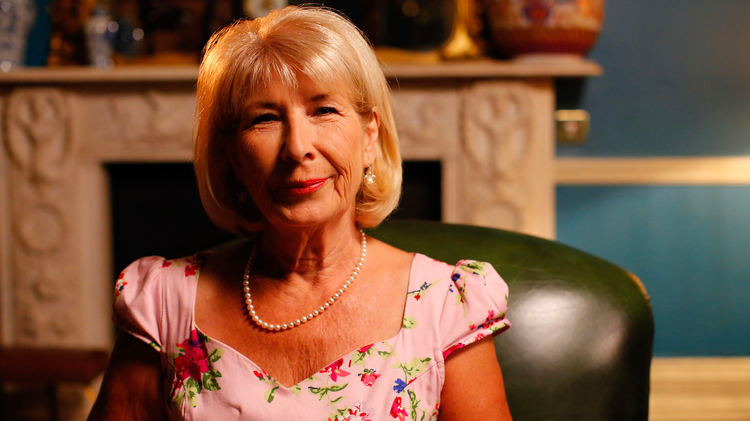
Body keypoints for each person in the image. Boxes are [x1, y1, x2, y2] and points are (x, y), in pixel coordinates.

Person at [89, 6, 512, 421]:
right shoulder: (164, 301)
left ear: (369, 137)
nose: (296, 147)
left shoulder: (445, 305)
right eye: (265, 118)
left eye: (324, 110)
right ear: (233, 156)